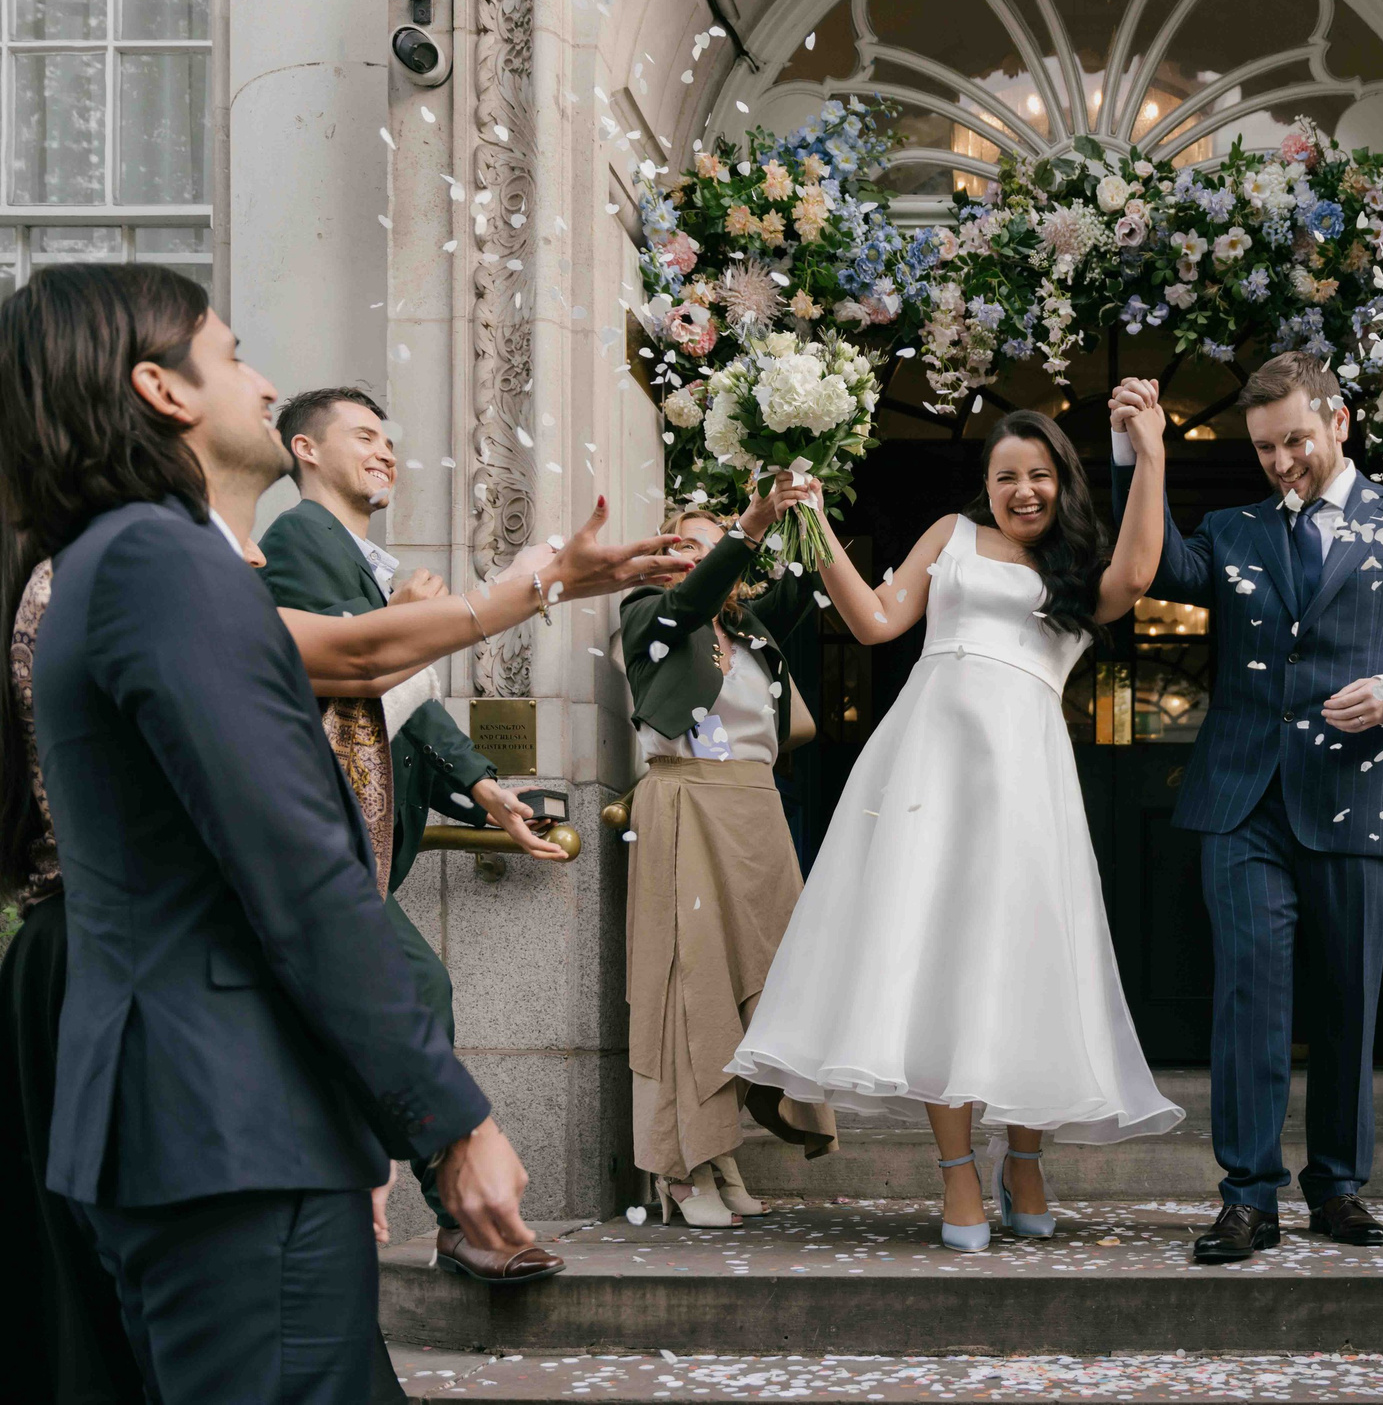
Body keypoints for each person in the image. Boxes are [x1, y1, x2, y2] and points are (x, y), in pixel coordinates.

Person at [0, 264, 545, 1404]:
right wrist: (448, 1121)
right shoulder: (159, 562)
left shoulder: (104, 563)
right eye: (235, 353)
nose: (262, 380)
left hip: (190, 1125)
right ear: (162, 389)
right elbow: (294, 873)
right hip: (230, 1127)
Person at [728, 403, 1180, 1252]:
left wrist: (1150, 453)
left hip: (1026, 776)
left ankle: (1026, 1156)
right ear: (986, 483)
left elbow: (1140, 572)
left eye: (1038, 474)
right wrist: (817, 522)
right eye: (1006, 475)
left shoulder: (1081, 562)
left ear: (1062, 481)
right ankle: (957, 1169)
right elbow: (874, 620)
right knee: (938, 952)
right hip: (930, 764)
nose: (1022, 489)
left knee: (1026, 958)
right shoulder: (951, 536)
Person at [1103, 352, 1383, 1264]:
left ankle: (1339, 1186)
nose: (1280, 462)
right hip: (1243, 798)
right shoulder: (1233, 530)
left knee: (1350, 996)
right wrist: (1141, 456)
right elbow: (1152, 567)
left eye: (1295, 441)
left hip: (1364, 792)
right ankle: (1247, 1197)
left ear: (1340, 420)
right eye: (1266, 448)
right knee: (1247, 998)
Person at [259, 385, 567, 1259]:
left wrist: (483, 785)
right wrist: (411, 620)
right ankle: (460, 1215)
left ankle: (400, 1200)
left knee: (406, 992)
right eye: (365, 435)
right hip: (318, 839)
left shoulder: (367, 559)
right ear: (306, 450)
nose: (386, 451)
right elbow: (359, 664)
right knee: (416, 986)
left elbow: (396, 687)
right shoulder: (301, 537)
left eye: (391, 440)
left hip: (362, 845)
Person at [616, 475, 843, 1228]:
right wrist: (747, 525)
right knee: (692, 988)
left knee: (769, 986)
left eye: (709, 543)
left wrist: (801, 498)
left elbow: (808, 575)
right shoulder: (648, 614)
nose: (698, 553)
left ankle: (722, 1146)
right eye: (682, 542)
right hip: (687, 801)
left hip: (757, 813)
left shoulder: (752, 628)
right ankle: (683, 1167)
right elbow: (687, 602)